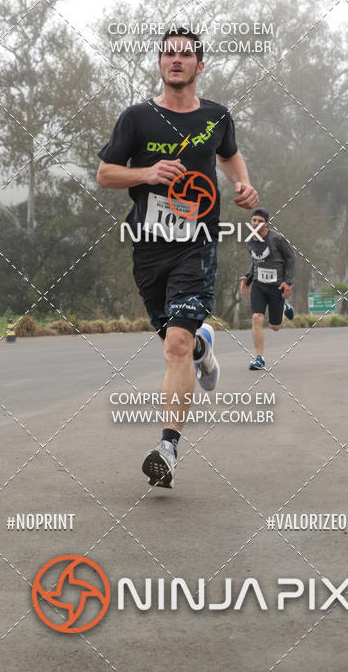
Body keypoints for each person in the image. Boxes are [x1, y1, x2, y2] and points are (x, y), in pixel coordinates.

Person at [97, 26, 258, 488]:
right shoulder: (137, 118)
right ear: (160, 63)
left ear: (199, 65)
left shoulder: (216, 116)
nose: (176, 60)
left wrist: (243, 184)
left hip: (196, 244)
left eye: (185, 54)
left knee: (176, 346)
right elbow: (105, 174)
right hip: (149, 248)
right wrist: (147, 173)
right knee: (176, 341)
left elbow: (229, 155)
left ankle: (167, 447)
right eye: (168, 54)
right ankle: (204, 348)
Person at [240, 208, 295, 370]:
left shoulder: (277, 239)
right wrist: (248, 278)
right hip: (259, 285)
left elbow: (291, 258)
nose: (256, 223)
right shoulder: (250, 241)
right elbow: (255, 261)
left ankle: (284, 306)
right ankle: (259, 358)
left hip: (277, 286)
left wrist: (288, 282)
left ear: (266, 224)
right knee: (256, 317)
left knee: (275, 327)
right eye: (254, 220)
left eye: (260, 221)